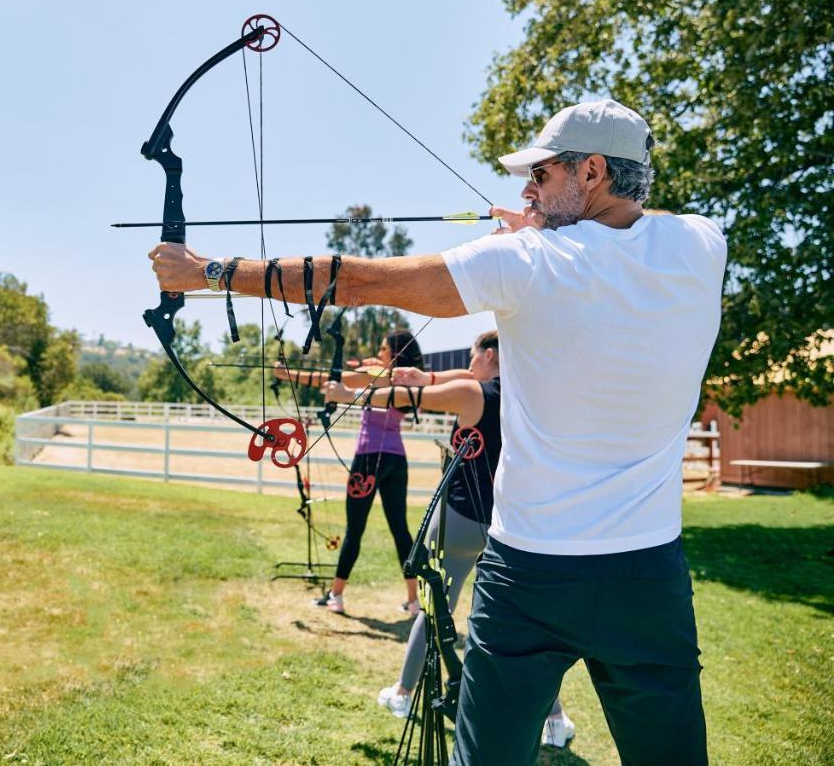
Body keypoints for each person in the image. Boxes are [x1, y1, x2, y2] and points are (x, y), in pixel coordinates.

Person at [148, 99, 725, 764]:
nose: (526, 190)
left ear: (592, 170)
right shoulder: (701, 244)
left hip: (529, 575)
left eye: (542, 174)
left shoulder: (528, 262)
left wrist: (206, 273)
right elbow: (631, 238)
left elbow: (356, 280)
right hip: (647, 572)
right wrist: (556, 222)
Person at [325, 330, 574, 748]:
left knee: (434, 608)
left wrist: (346, 391)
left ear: (491, 355)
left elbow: (406, 397)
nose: (471, 362)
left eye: (475, 356)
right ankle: (554, 721)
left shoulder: (473, 394)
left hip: (459, 520)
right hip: (509, 522)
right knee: (523, 623)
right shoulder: (532, 394)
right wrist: (410, 376)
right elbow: (433, 380)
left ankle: (403, 694)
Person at [273, 331, 422, 617]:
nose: (379, 354)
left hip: (368, 459)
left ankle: (336, 596)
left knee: (355, 529)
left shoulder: (375, 376)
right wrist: (369, 367)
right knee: (400, 530)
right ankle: (413, 601)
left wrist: (287, 374)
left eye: (382, 349)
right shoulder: (407, 381)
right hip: (396, 460)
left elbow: (329, 380)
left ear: (393, 354)